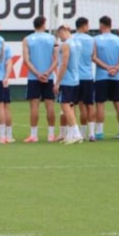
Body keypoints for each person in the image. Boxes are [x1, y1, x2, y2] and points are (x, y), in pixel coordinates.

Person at [92, 15, 119, 139]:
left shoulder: (95, 39)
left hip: (102, 76)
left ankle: (99, 132)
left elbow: (94, 57)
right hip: (116, 76)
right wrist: (116, 68)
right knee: (118, 103)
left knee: (100, 104)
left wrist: (107, 67)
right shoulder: (118, 39)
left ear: (101, 25)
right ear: (110, 25)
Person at [22, 15, 57, 143]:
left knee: (34, 106)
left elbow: (26, 60)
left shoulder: (27, 39)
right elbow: (56, 59)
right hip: (48, 77)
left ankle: (33, 135)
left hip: (33, 77)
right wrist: (47, 73)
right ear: (43, 24)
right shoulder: (52, 38)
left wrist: (37, 74)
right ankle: (51, 135)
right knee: (50, 105)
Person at [53, 25, 83, 144]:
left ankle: (76, 134)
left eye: (59, 35)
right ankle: (70, 135)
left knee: (65, 107)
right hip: (76, 78)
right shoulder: (78, 43)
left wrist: (57, 82)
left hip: (67, 80)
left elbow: (64, 64)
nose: (59, 38)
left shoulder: (66, 45)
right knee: (71, 107)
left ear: (62, 32)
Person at [72, 17, 96, 141]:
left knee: (77, 105)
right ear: (84, 26)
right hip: (87, 76)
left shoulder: (72, 38)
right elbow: (93, 56)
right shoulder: (91, 40)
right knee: (89, 105)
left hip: (75, 76)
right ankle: (91, 134)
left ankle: (80, 133)